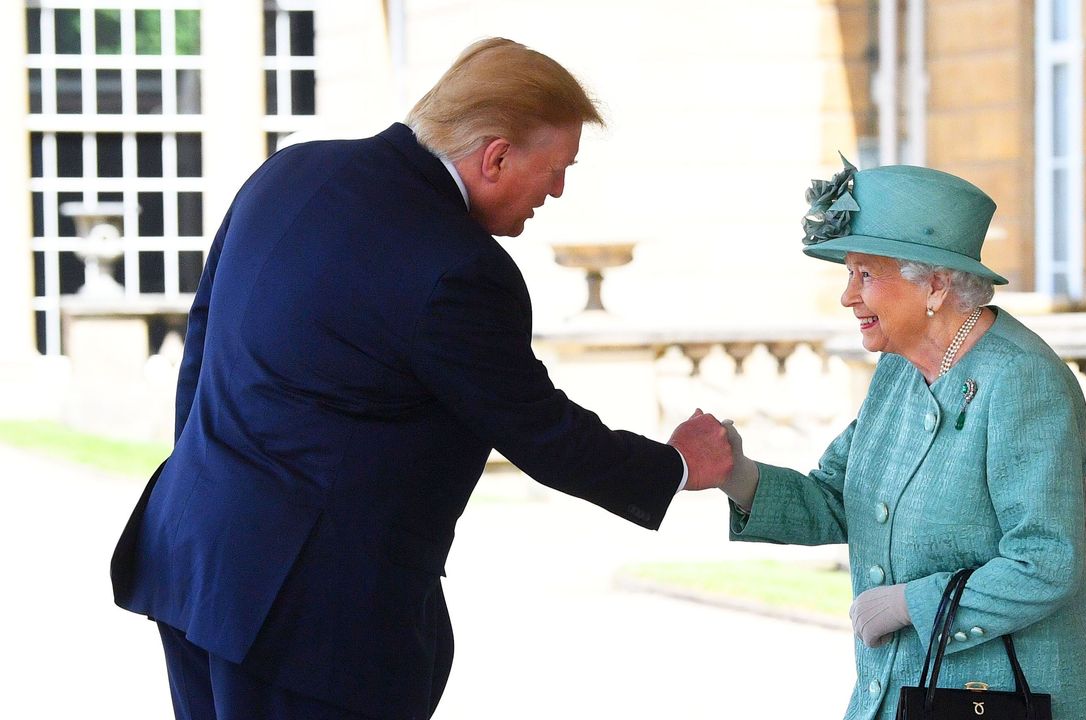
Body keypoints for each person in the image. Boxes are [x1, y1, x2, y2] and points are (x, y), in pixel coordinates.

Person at [109, 37, 732, 720]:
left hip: (191, 558)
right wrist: (676, 466)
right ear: (495, 156)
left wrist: (217, 495)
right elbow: (540, 431)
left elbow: (202, 343)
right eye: (557, 170)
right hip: (308, 624)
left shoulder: (289, 170)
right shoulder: (462, 268)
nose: (557, 191)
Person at [711, 158, 1086, 719]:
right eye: (849, 274)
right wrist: (737, 475)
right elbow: (839, 497)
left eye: (865, 275)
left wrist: (911, 604)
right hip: (899, 691)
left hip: (999, 699)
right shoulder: (900, 371)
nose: (848, 297)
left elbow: (1046, 561)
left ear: (933, 284)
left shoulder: (1022, 381)